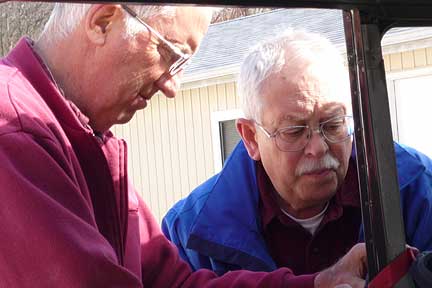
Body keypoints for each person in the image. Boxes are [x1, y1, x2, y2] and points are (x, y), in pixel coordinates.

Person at [0, 3, 368, 288]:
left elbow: (174, 283)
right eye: (170, 55)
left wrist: (318, 283)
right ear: (103, 21)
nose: (171, 87)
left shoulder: (90, 142)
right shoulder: (14, 132)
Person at [162, 29, 432, 278]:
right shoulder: (188, 232)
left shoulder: (416, 189)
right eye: (293, 131)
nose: (318, 147)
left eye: (333, 124)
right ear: (251, 138)